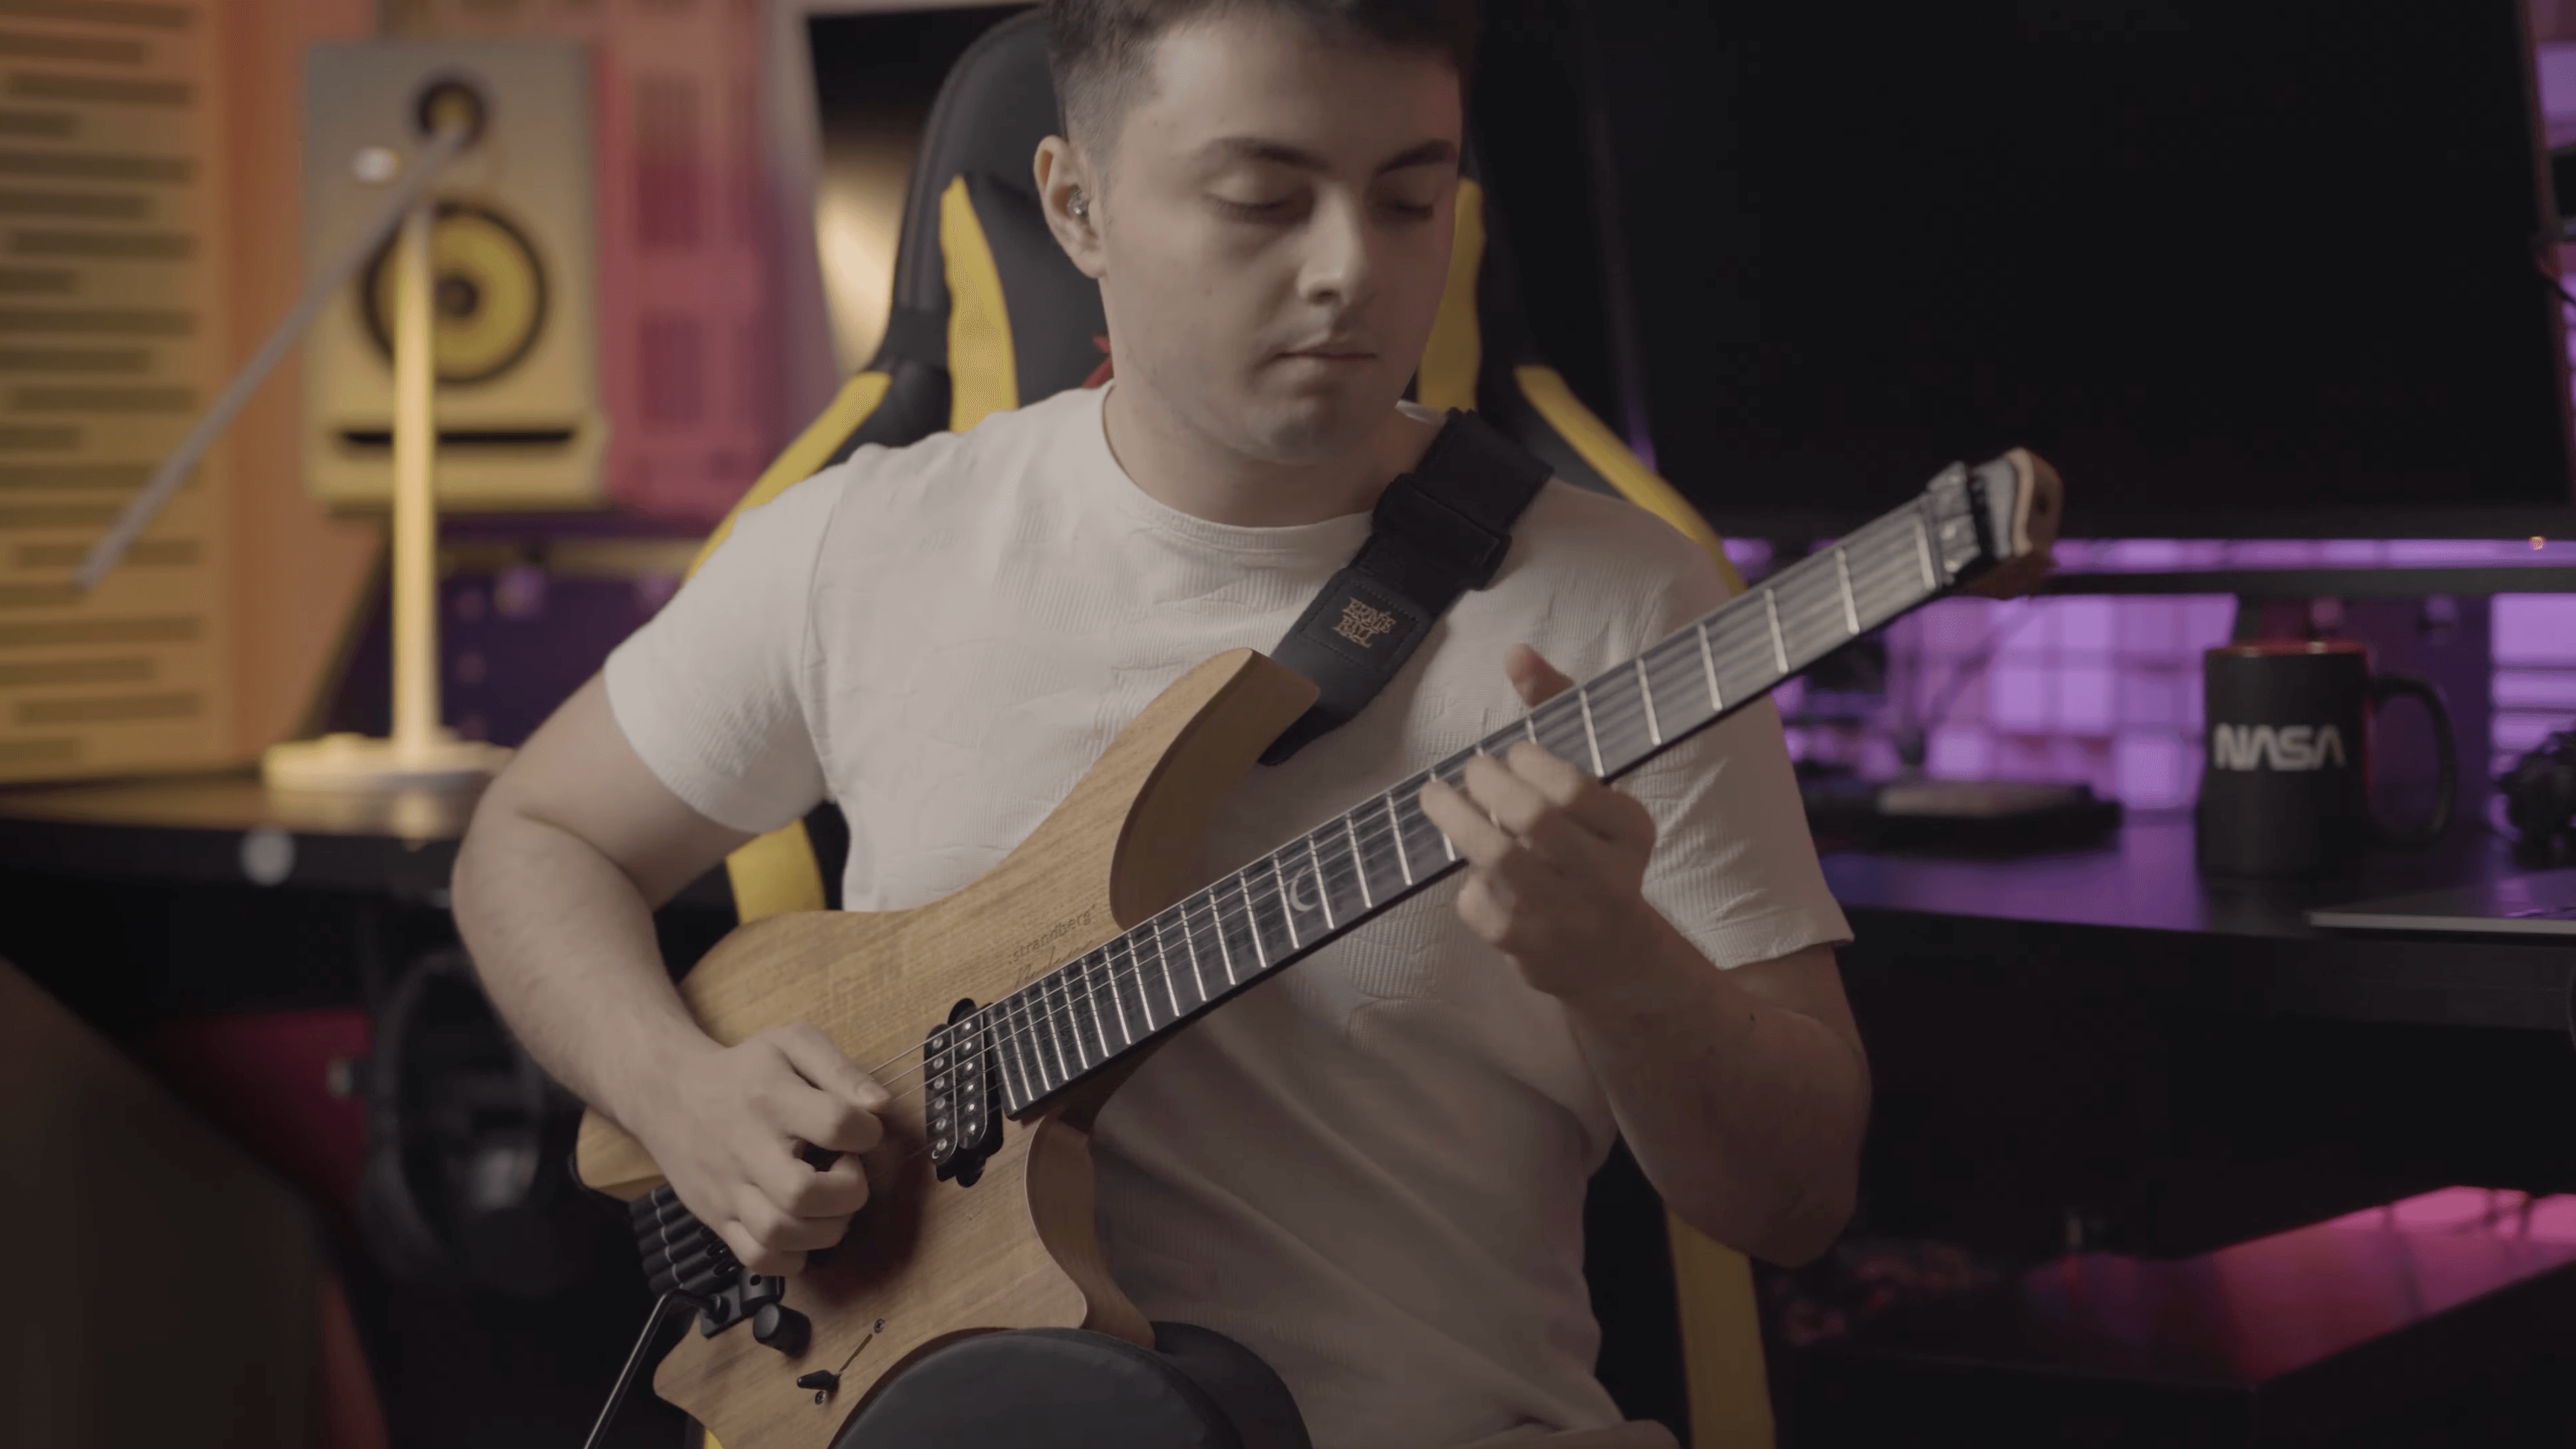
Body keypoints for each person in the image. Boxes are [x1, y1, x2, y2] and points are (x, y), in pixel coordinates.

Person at [450, 2, 1869, 1445]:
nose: (1351, 268)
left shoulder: (1625, 602)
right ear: (1078, 206)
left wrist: (1625, 967)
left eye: (1409, 199)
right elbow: (533, 836)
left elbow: (1799, 1198)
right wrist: (679, 1095)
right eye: (1263, 199)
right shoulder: (860, 546)